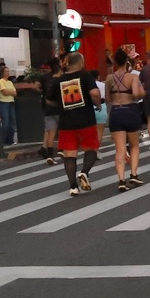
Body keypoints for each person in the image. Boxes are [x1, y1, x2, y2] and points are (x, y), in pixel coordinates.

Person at [54, 52, 101, 197]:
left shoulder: (59, 80)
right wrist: (98, 104)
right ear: (81, 62)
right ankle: (84, 172)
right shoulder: (86, 76)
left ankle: (73, 186)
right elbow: (94, 93)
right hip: (85, 119)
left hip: (66, 122)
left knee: (70, 154)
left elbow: (49, 99)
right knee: (92, 149)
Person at [106, 48, 147, 192]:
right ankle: (134, 174)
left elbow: (108, 98)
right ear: (127, 62)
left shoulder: (109, 78)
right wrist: (142, 91)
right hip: (131, 111)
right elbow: (136, 94)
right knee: (134, 145)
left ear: (115, 62)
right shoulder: (133, 77)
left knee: (120, 149)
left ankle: (121, 180)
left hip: (116, 112)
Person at [40, 58, 63, 165]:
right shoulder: (61, 79)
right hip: (59, 108)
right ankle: (61, 150)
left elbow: (37, 87)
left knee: (51, 133)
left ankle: (50, 155)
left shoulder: (45, 78)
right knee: (63, 130)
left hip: (48, 109)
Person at [0, 64, 17, 151]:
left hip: (11, 102)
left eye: (8, 71)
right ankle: (3, 140)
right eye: (6, 71)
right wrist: (11, 92)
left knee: (12, 122)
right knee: (6, 122)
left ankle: (10, 140)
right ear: (2, 73)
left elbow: (15, 93)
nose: (8, 73)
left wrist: (10, 92)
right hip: (4, 102)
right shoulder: (0, 82)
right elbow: (4, 92)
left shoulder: (10, 82)